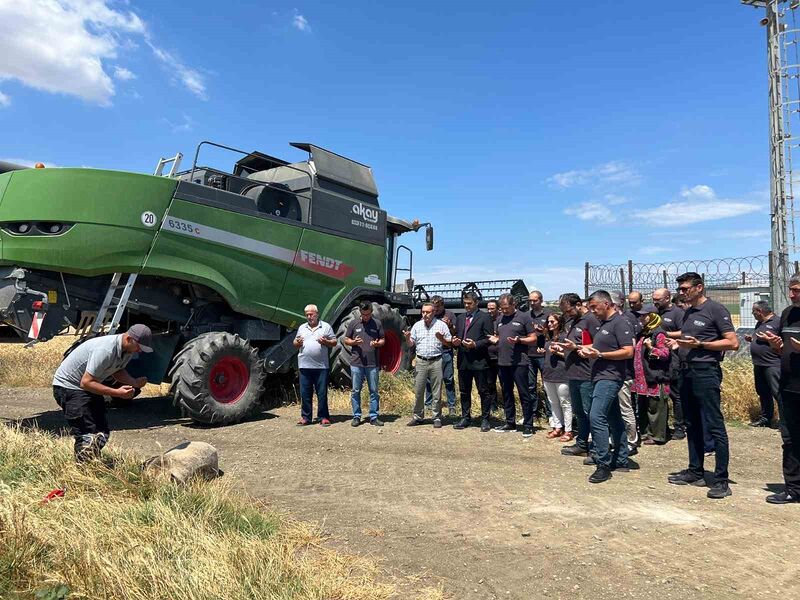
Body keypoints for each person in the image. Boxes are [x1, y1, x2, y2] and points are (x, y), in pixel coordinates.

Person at [665, 272, 739, 499]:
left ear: (699, 288)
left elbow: (732, 343)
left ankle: (721, 480)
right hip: (687, 371)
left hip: (706, 372)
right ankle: (695, 470)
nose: (681, 292)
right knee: (692, 423)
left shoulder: (715, 310)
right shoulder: (689, 312)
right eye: (680, 289)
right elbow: (688, 337)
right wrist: (675, 341)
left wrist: (702, 344)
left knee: (714, 424)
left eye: (685, 288)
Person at [52, 324, 151, 461]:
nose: (139, 351)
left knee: (101, 432)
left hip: (87, 387)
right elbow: (86, 382)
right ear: (128, 339)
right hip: (69, 388)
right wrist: (117, 393)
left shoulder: (127, 351)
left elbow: (117, 370)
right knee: (87, 434)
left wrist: (134, 382)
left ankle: (91, 463)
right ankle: (82, 472)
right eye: (139, 346)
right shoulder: (106, 350)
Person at [578, 290, 637, 483]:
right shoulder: (605, 324)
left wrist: (600, 355)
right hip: (600, 376)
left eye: (594, 307)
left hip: (610, 377)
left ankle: (602, 463)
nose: (592, 311)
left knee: (596, 416)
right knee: (613, 418)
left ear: (606, 303)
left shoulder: (620, 323)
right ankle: (620, 460)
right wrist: (586, 350)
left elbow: (628, 351)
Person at [759, 273, 800, 504]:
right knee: (791, 440)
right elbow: (783, 351)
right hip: (789, 387)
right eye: (790, 289)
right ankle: (793, 489)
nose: (792, 294)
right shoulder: (788, 313)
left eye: (797, 290)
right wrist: (777, 346)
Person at [489, 293, 538, 437]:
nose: (504, 311)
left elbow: (533, 338)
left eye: (506, 308)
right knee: (506, 393)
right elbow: (499, 336)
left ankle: (528, 425)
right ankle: (510, 422)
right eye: (502, 308)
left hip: (519, 362)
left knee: (524, 393)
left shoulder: (524, 317)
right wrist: (495, 339)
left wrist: (520, 340)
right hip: (503, 361)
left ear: (513, 304)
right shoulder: (499, 319)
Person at [559, 293, 600, 457]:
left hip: (586, 374)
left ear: (578, 304)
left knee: (590, 411)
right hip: (573, 374)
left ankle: (597, 446)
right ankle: (582, 444)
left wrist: (575, 347)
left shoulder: (591, 320)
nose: (567, 314)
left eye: (569, 310)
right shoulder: (573, 321)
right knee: (579, 411)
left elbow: (599, 343)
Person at [406, 302, 452, 428]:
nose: (425, 314)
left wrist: (441, 339)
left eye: (428, 312)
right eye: (423, 312)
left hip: (436, 360)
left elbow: (449, 343)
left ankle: (436, 417)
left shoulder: (441, 325)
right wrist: (407, 338)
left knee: (436, 391)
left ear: (434, 312)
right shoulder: (417, 325)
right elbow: (411, 344)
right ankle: (418, 416)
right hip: (421, 361)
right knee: (419, 390)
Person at [452, 292, 494, 431]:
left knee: (483, 390)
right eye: (465, 303)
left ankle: (485, 419)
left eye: (469, 303)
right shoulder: (460, 318)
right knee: (464, 390)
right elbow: (457, 335)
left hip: (479, 359)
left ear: (476, 303)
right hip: (463, 359)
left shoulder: (485, 317)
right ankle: (465, 417)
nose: (467, 306)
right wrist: (456, 341)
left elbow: (489, 339)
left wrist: (475, 344)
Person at [294, 304, 337, 427]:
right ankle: (306, 417)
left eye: (311, 314)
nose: (309, 316)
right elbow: (295, 343)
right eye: (307, 314)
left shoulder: (326, 327)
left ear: (317, 314)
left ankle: (323, 417)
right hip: (304, 366)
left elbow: (334, 342)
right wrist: (297, 342)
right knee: (305, 393)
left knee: (322, 393)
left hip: (321, 366)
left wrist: (326, 342)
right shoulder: (302, 327)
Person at [652, 287, 686, 440]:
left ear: (667, 298)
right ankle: (661, 426)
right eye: (654, 299)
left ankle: (680, 427)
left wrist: (662, 334)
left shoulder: (677, 313)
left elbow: (684, 332)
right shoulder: (655, 312)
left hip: (674, 359)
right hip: (657, 360)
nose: (655, 302)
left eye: (658, 299)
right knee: (660, 394)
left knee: (676, 394)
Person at [344, 301, 385, 427]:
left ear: (371, 312)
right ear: (360, 313)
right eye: (363, 314)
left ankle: (373, 416)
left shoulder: (377, 323)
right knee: (356, 390)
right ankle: (356, 416)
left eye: (367, 314)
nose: (365, 317)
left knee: (374, 391)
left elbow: (383, 340)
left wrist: (378, 344)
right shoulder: (353, 322)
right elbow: (346, 339)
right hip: (356, 363)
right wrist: (353, 342)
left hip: (372, 363)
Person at [633, 309, 671, 445]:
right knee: (644, 406)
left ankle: (657, 436)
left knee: (656, 407)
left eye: (644, 316)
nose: (641, 318)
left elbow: (665, 354)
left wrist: (650, 348)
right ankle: (645, 432)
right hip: (642, 377)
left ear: (652, 316)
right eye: (640, 316)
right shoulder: (643, 333)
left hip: (655, 375)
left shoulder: (659, 333)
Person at [746, 300, 782, 428]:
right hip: (759, 364)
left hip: (772, 364)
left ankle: (786, 421)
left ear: (760, 311)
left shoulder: (778, 322)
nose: (752, 313)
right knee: (763, 391)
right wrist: (753, 340)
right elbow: (761, 339)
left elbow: (782, 341)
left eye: (753, 311)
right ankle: (766, 418)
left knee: (778, 392)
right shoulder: (760, 323)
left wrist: (769, 340)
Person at [613, 291, 641, 453]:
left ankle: (632, 440)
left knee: (625, 407)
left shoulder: (626, 320)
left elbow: (630, 347)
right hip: (612, 372)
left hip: (624, 372)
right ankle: (618, 437)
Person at [541, 312, 573, 442]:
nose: (549, 324)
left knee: (565, 403)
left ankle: (568, 430)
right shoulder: (548, 338)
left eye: (552, 322)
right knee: (553, 402)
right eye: (548, 322)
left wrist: (558, 352)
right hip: (549, 374)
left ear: (560, 322)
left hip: (562, 374)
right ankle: (557, 427)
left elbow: (570, 356)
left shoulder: (565, 337)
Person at [425, 295, 457, 418]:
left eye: (437, 307)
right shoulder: (429, 314)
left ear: (443, 305)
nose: (435, 310)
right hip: (432, 351)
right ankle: (428, 404)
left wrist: (449, 326)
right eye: (433, 307)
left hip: (445, 351)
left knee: (448, 379)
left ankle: (451, 406)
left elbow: (455, 332)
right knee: (429, 379)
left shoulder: (450, 315)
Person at [527, 290, 552, 424]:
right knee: (530, 386)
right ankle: (533, 413)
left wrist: (544, 331)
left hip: (543, 355)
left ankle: (551, 415)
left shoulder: (548, 314)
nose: (532, 303)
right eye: (530, 301)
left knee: (547, 385)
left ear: (541, 300)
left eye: (534, 300)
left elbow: (555, 334)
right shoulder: (526, 315)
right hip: (529, 354)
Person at [485, 299, 501, 414]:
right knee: (490, 383)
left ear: (498, 309)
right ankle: (493, 405)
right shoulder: (485, 320)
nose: (490, 311)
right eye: (488, 308)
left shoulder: (502, 320)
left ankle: (506, 405)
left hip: (501, 357)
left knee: (505, 383)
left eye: (492, 308)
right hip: (489, 356)